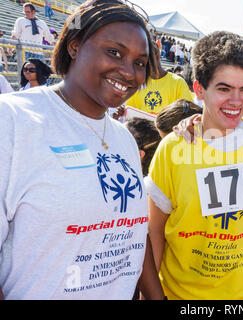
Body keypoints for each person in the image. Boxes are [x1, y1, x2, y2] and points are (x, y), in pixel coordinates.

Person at [0, 0, 164, 300]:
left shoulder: (124, 139)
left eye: (140, 62)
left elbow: (132, 238)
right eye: (114, 52)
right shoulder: (13, 119)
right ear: (74, 46)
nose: (129, 72)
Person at [147, 31, 243, 300]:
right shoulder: (174, 147)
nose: (237, 101)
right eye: (224, 89)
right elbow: (155, 230)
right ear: (199, 89)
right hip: (181, 295)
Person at [125, 41, 193, 116]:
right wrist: (122, 112)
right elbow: (130, 111)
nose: (142, 66)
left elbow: (188, 113)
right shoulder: (139, 82)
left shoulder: (178, 83)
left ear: (156, 57)